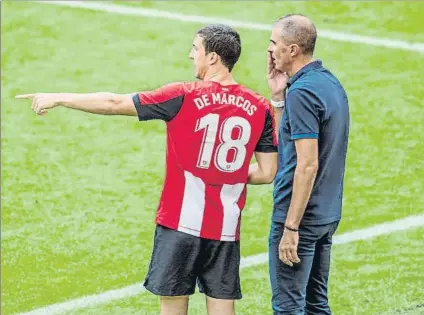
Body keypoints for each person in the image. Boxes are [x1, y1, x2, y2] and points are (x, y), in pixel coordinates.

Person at [16, 24, 278, 315]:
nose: (191, 55)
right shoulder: (260, 106)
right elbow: (267, 172)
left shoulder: (183, 95)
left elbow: (115, 102)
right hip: (226, 230)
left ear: (213, 58)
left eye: (195, 49)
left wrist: (60, 97)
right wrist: (223, 176)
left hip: (180, 226)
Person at [266, 14, 350, 315]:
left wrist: (291, 226)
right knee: (316, 305)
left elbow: (307, 165)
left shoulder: (303, 93)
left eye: (274, 43)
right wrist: (278, 97)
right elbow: (288, 144)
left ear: (292, 50)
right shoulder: (328, 83)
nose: (270, 51)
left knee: (288, 308)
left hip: (300, 218)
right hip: (326, 214)